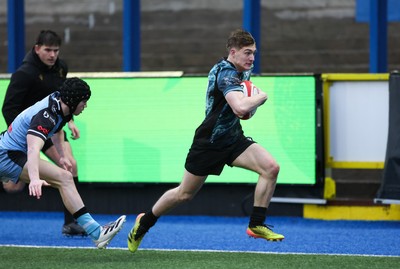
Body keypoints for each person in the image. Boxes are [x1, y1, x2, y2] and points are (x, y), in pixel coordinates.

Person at [127, 29, 284, 253]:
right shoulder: (225, 73)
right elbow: (240, 108)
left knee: (271, 168)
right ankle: (144, 223)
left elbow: (239, 112)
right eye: (247, 53)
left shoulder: (243, 72)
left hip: (232, 138)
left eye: (254, 53)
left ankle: (256, 224)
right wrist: (261, 97)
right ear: (233, 52)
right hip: (209, 142)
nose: (252, 58)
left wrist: (250, 104)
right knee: (184, 194)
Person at [0, 77, 126, 248]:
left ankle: (96, 232)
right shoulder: (47, 115)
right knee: (65, 178)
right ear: (73, 101)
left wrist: (61, 157)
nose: (85, 106)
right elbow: (33, 148)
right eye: (84, 102)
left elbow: (58, 130)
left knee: (64, 177)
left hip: (10, 151)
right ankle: (97, 233)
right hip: (7, 155)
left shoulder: (62, 104)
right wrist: (34, 178)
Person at [1, 30, 86, 236]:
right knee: (13, 187)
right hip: (31, 132)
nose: (52, 55)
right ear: (37, 49)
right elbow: (8, 108)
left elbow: (67, 98)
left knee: (70, 166)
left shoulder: (61, 68)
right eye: (48, 50)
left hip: (53, 129)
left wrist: (71, 121)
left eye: (56, 50)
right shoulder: (24, 73)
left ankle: (72, 223)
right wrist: (28, 140)